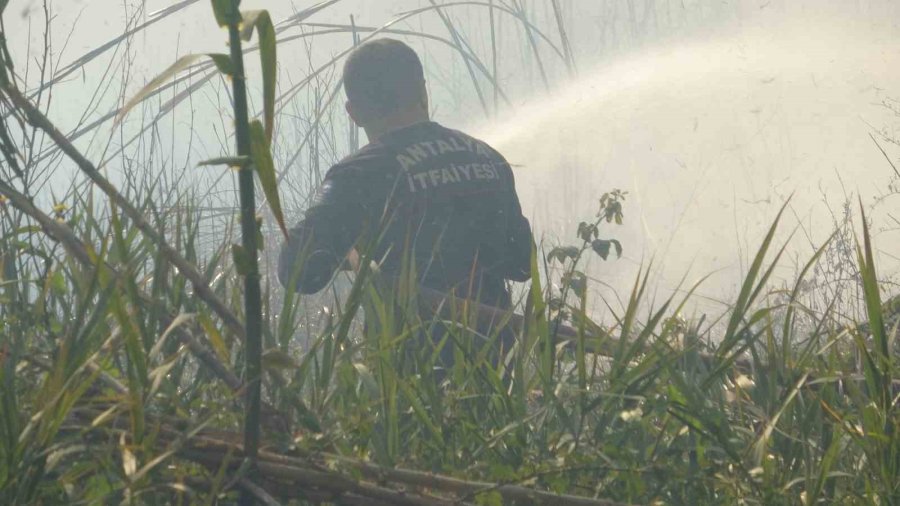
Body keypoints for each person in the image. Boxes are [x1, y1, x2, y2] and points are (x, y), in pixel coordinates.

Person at [278, 39, 533, 368]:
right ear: (423, 92)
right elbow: (520, 263)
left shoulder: (359, 173)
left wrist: (349, 251)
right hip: (497, 371)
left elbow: (296, 270)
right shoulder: (486, 157)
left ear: (353, 113)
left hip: (411, 377)